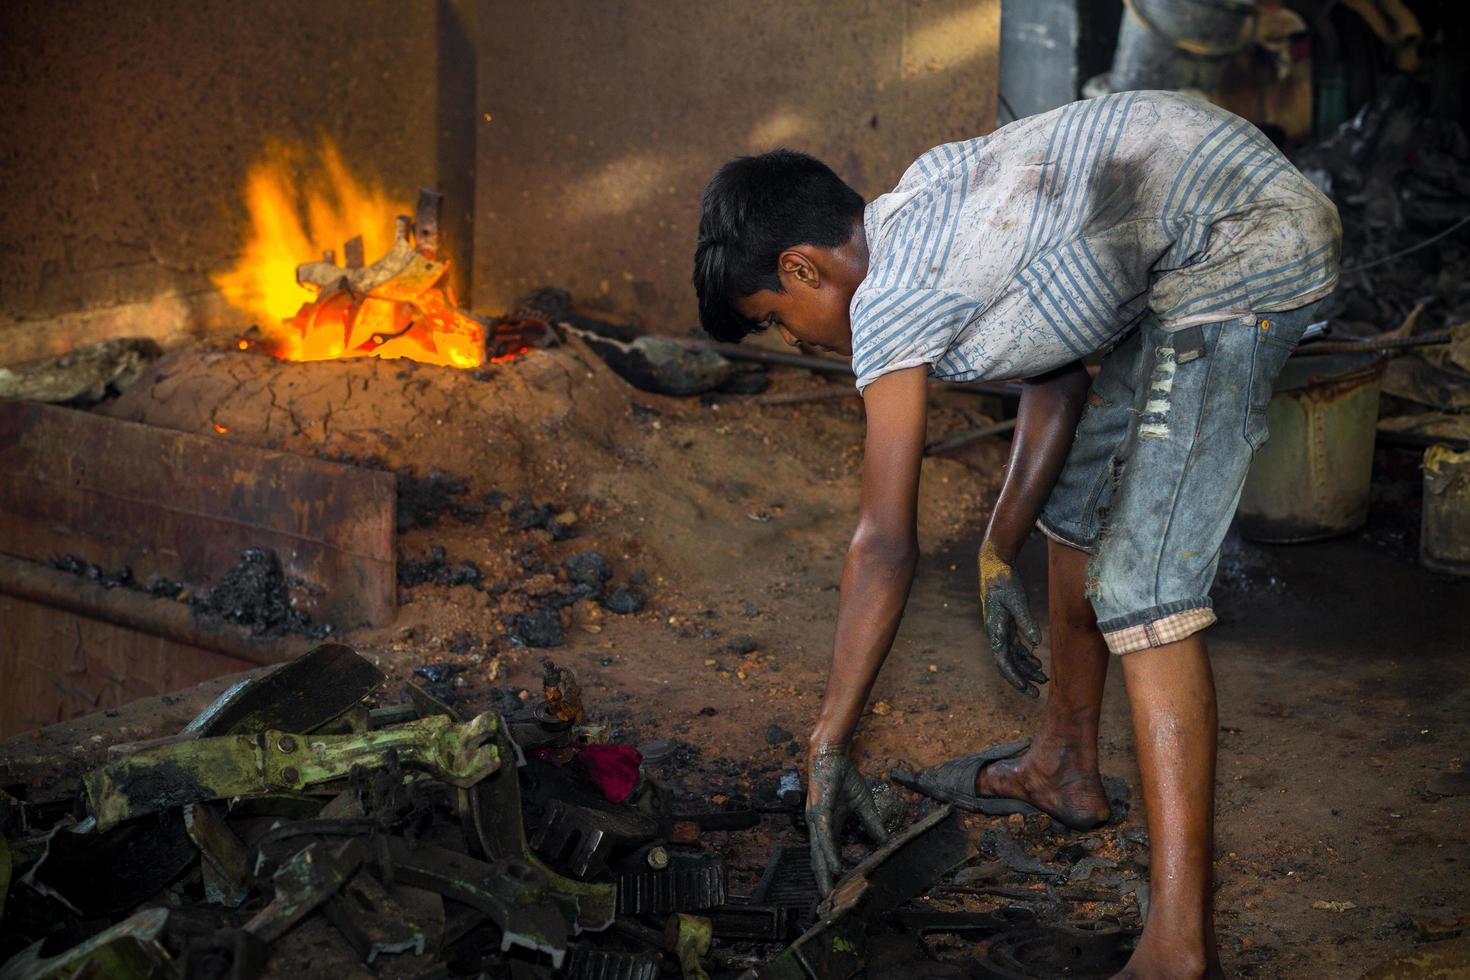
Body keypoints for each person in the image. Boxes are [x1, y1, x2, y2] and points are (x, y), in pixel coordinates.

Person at [691, 90, 1339, 978]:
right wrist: (1002, 545)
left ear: (801, 268)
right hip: (1200, 230)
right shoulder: (921, 202)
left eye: (774, 319)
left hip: (1240, 246)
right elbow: (1057, 369)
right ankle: (1063, 765)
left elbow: (884, 541)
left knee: (1142, 590)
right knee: (1078, 518)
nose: (797, 342)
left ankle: (1179, 949)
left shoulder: (887, 299)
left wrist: (831, 736)